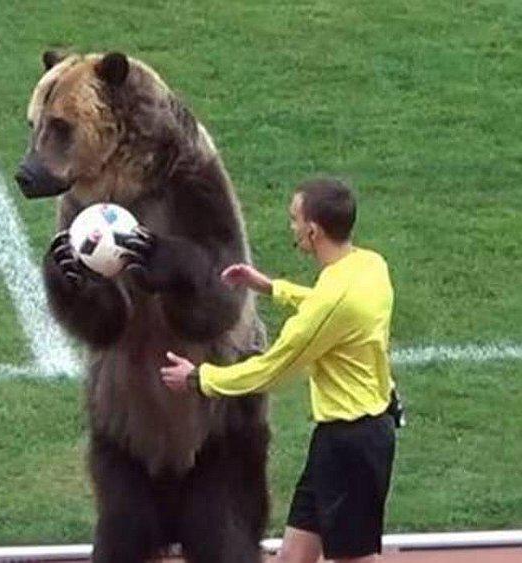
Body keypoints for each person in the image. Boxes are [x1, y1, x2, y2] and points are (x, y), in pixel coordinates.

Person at [161, 178, 398, 563]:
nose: (291, 226)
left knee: (353, 559)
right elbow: (329, 306)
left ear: (313, 230)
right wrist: (271, 287)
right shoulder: (370, 266)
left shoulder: (334, 302)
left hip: (353, 444)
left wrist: (199, 378)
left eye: (294, 218)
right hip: (340, 438)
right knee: (294, 555)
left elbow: (272, 368)